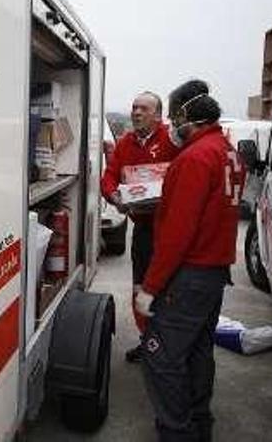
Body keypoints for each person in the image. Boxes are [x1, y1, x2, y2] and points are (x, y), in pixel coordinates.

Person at [134, 79, 245, 442]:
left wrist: (150, 287)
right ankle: (200, 427)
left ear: (186, 117)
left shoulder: (195, 158)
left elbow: (178, 232)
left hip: (189, 276)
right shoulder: (227, 151)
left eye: (174, 116)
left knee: (162, 357)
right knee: (198, 353)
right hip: (213, 274)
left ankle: (177, 433)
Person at [100, 91, 180, 363]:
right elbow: (109, 176)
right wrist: (114, 197)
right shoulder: (125, 143)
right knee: (140, 288)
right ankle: (148, 341)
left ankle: (168, 346)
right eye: (134, 107)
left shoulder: (173, 139)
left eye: (143, 108)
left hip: (171, 231)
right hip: (143, 230)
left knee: (168, 290)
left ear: (158, 115)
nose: (136, 112)